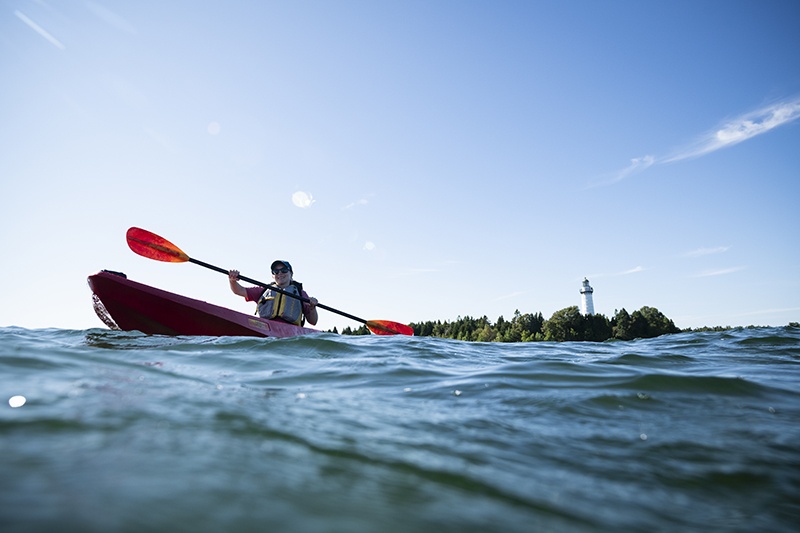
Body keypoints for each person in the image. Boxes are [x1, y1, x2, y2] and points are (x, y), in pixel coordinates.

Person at [228, 260, 318, 326]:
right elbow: (239, 290)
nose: (280, 273)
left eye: (284, 270)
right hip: (265, 329)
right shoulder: (263, 290)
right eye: (276, 271)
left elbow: (313, 322)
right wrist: (232, 281)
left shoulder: (301, 293)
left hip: (290, 334)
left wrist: (312, 307)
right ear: (273, 275)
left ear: (291, 274)